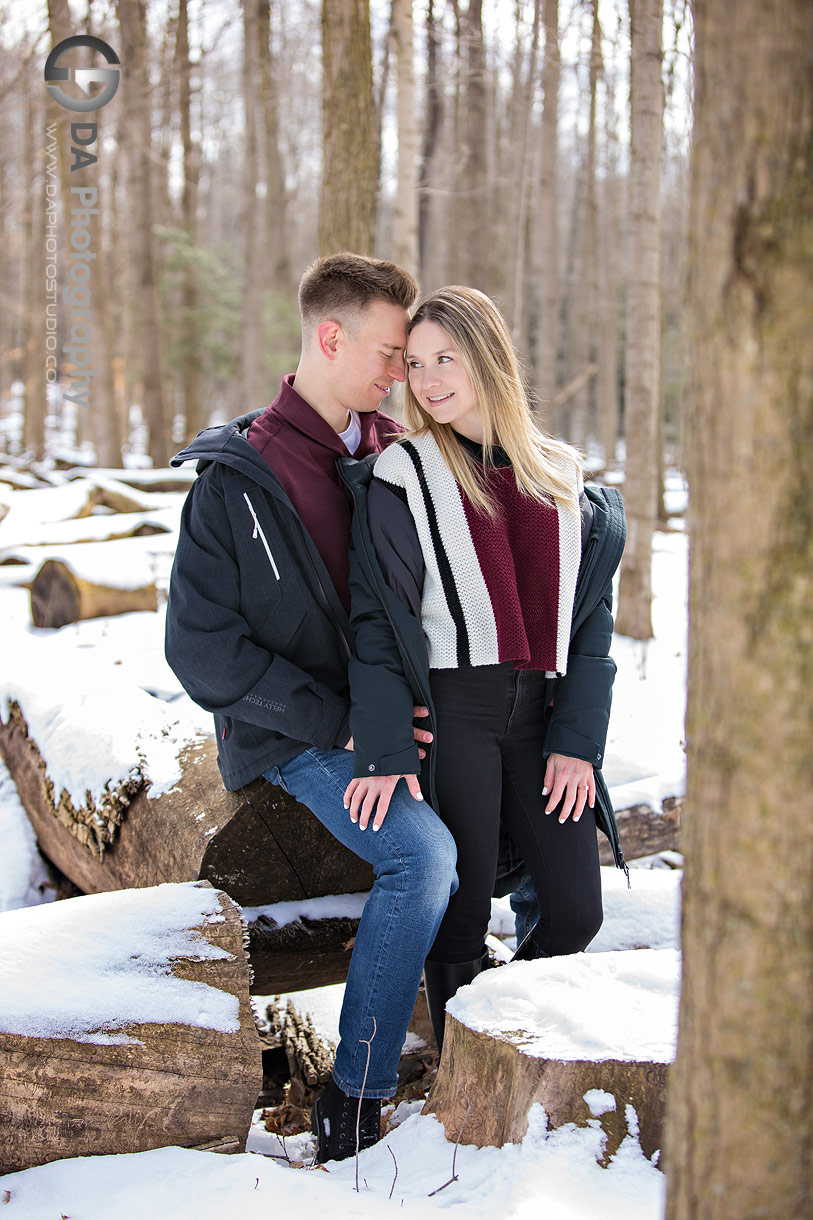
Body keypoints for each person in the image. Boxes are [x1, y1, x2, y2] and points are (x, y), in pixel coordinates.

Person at [164, 253, 458, 1163]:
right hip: (296, 736)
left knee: (509, 819)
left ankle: (463, 1042)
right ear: (330, 337)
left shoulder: (389, 452)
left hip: (394, 718)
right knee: (421, 855)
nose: (398, 370)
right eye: (386, 350)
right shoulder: (237, 476)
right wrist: (342, 724)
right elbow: (199, 649)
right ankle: (354, 1093)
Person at [342, 285, 627, 1053]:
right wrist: (385, 747)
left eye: (447, 359)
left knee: (573, 911)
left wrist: (578, 741)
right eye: (414, 363)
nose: (428, 379)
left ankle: (499, 1030)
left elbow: (590, 626)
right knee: (459, 915)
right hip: (452, 710)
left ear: (488, 359)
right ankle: (462, 1076)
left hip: (542, 718)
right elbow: (376, 620)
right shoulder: (400, 475)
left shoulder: (561, 477)